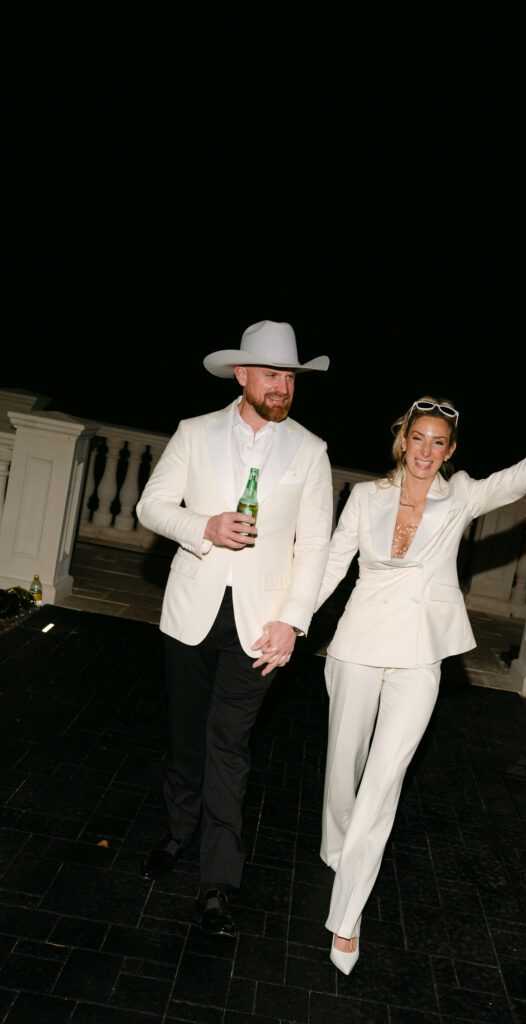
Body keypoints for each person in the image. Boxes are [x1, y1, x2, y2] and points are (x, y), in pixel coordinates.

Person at [315, 394, 526, 973]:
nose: (426, 451)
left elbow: (523, 475)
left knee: (384, 780)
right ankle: (336, 845)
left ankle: (346, 916)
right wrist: (292, 622)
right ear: (402, 440)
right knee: (343, 761)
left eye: (438, 442)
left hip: (420, 654)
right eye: (418, 438)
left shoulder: (463, 496)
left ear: (450, 450)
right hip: (356, 644)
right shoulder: (365, 496)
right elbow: (332, 563)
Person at [136, 320, 333, 935]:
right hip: (190, 611)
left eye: (290, 378)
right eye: (272, 375)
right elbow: (150, 506)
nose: (283, 387)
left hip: (261, 624)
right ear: (242, 374)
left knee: (228, 746)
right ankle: (178, 831)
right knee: (185, 737)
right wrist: (205, 527)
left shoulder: (311, 450)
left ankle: (218, 881)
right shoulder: (194, 432)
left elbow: (315, 547)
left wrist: (292, 622)